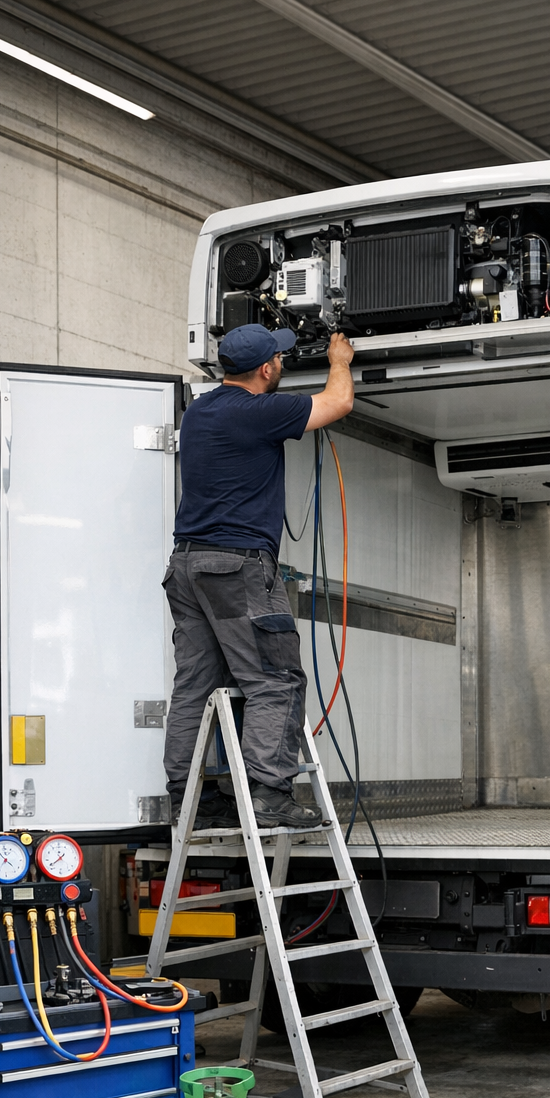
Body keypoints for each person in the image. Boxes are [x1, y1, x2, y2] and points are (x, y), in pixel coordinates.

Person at [163, 323, 355, 829]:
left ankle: (190, 801)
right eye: (280, 360)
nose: (283, 366)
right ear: (267, 368)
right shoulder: (259, 412)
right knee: (276, 680)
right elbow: (337, 404)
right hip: (237, 567)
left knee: (196, 686)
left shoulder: (200, 410)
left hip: (187, 566)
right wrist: (340, 359)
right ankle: (269, 794)